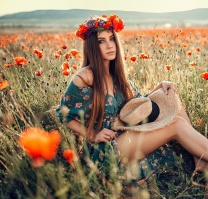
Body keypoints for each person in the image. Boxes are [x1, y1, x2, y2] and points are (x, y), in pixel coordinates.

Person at [56, 14, 208, 181]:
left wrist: (161, 86)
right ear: (92, 46)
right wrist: (93, 135)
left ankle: (198, 160)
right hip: (108, 149)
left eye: (112, 39)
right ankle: (200, 156)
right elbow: (63, 115)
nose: (109, 45)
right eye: (101, 41)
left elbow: (138, 105)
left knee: (170, 97)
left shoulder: (116, 75)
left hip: (128, 134)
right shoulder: (85, 77)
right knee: (176, 124)